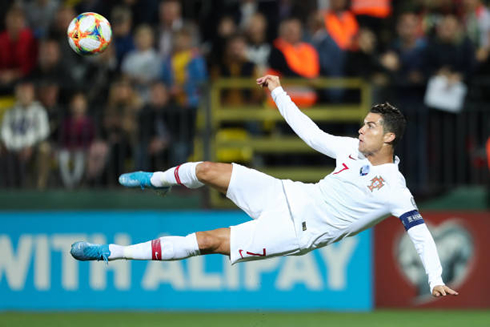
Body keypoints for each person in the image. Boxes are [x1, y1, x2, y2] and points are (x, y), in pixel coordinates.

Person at [71, 75, 458, 298]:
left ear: (389, 138)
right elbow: (309, 132)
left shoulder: (394, 187)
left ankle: (112, 253)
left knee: (206, 241)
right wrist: (277, 91)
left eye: (371, 126)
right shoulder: (351, 149)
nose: (361, 128)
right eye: (364, 122)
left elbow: (421, 235)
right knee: (208, 169)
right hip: (287, 193)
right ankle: (156, 181)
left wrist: (435, 279)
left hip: (294, 230)